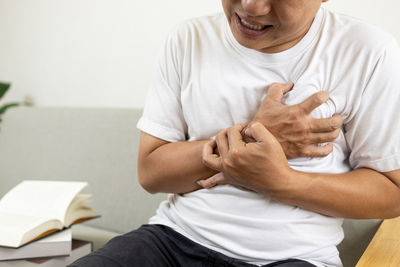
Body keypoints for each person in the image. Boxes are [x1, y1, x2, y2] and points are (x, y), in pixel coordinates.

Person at [70, 0, 400, 266]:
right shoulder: (189, 39)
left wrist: (281, 180)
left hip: (295, 257)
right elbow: (152, 173)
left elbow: (392, 192)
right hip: (173, 239)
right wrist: (259, 135)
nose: (252, 7)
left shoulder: (370, 53)